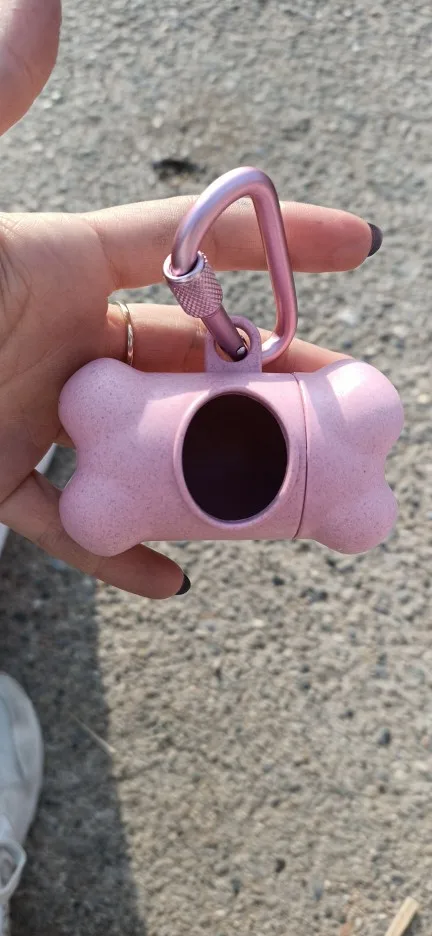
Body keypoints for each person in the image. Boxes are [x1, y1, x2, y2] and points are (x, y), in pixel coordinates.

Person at [0, 0, 382, 929]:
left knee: (92, 503)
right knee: (89, 505)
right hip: (139, 444)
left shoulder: (117, 431)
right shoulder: (117, 433)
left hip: (143, 443)